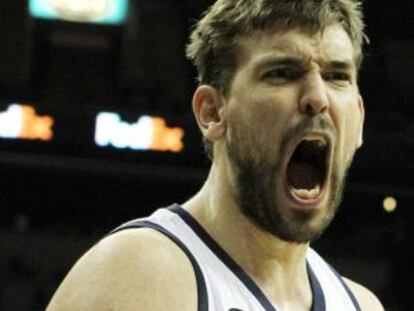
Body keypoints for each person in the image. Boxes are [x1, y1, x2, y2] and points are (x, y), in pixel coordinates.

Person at [47, 0, 385, 310]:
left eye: (337, 76)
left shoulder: (362, 305)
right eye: (282, 73)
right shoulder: (139, 276)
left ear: (358, 120)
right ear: (212, 112)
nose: (317, 97)